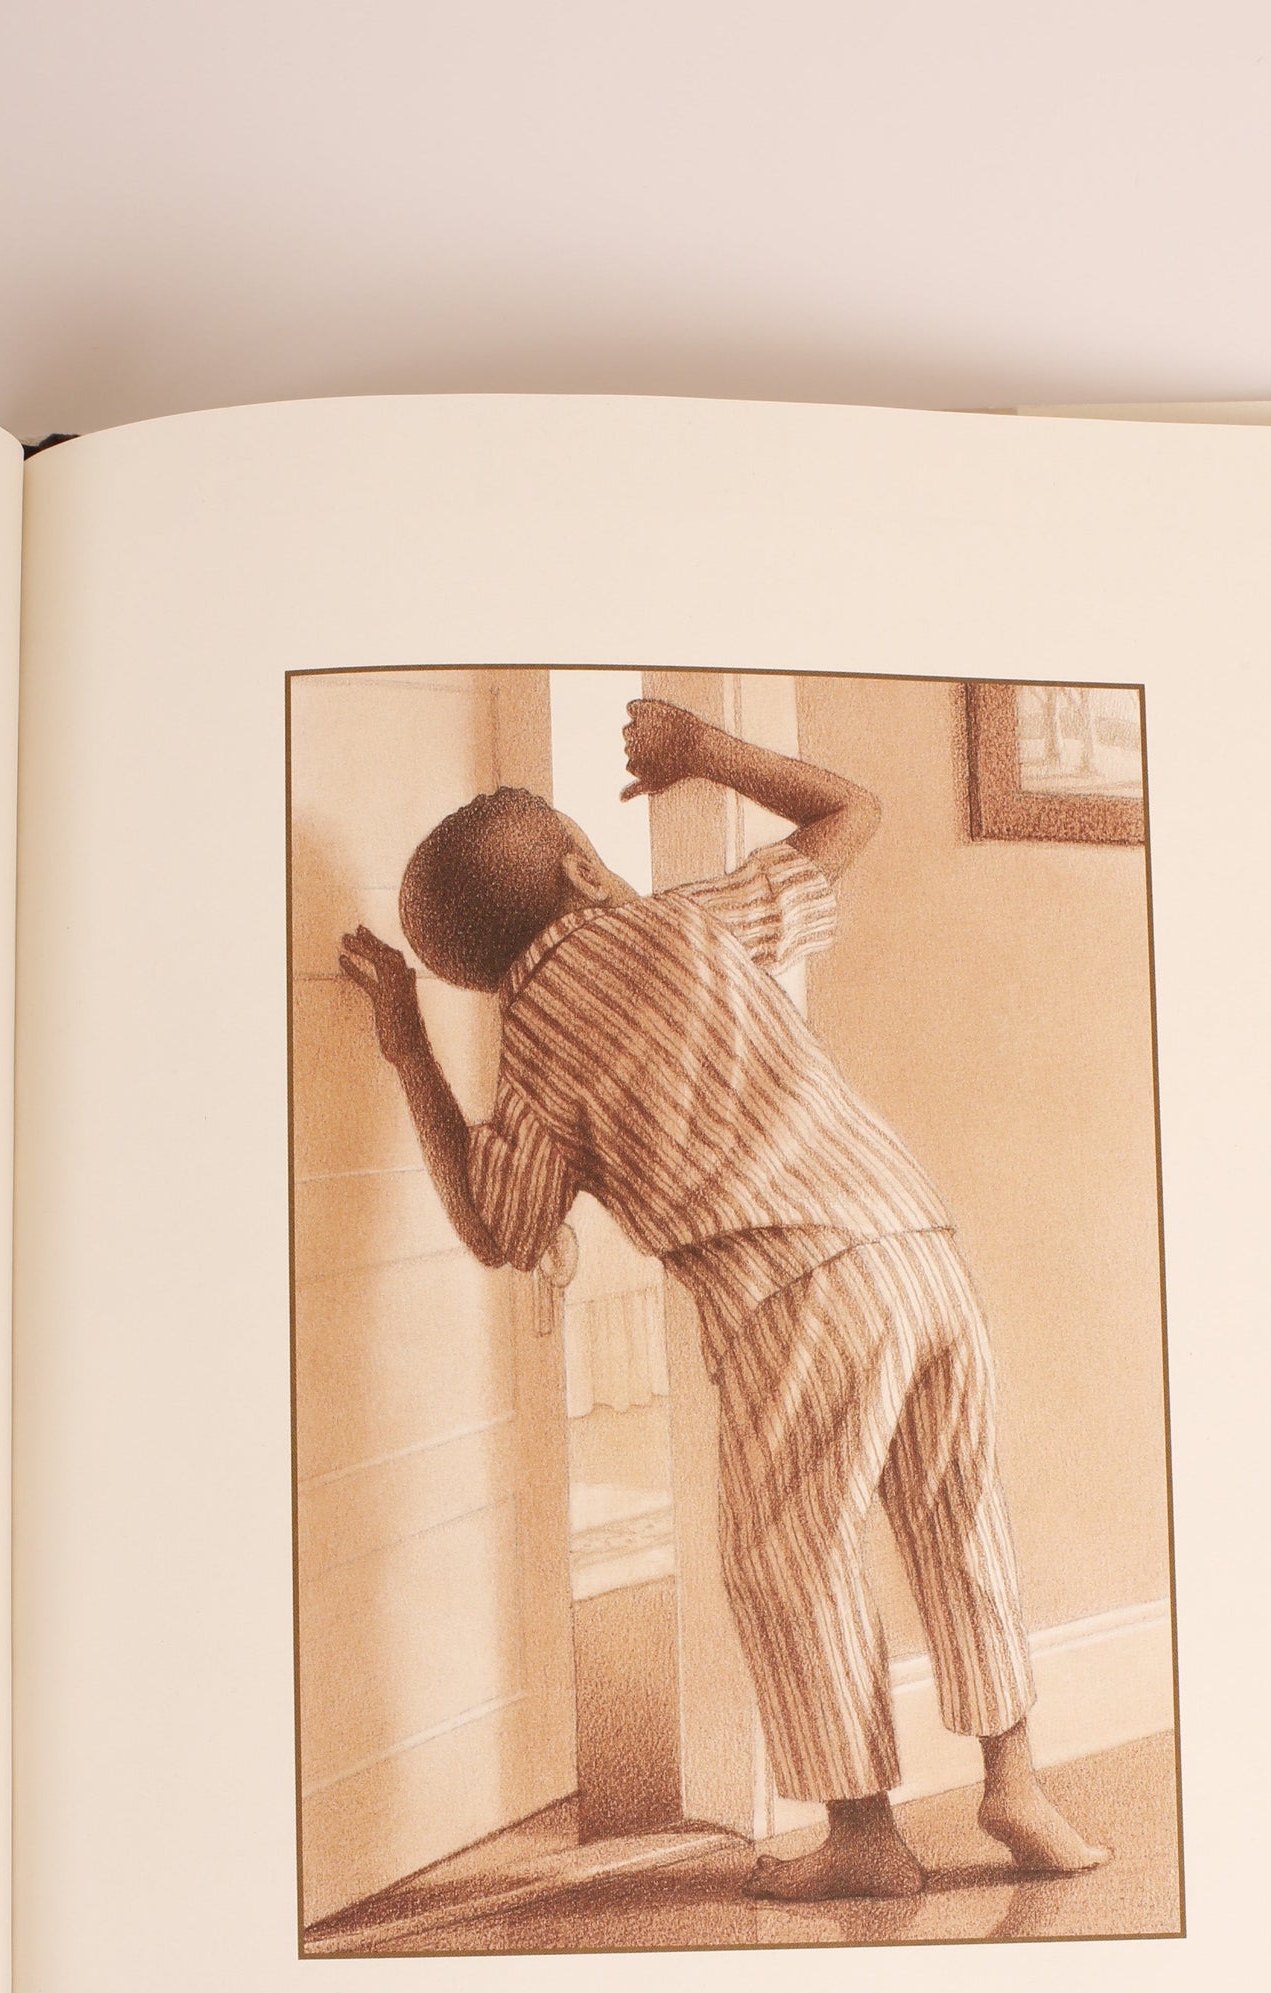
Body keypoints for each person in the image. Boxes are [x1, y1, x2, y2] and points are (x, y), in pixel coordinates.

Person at [339, 696, 1106, 1903]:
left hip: (791, 1293)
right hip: (916, 1245)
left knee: (790, 1554)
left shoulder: (534, 1047)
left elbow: (499, 1228)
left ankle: (864, 1837)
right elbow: (853, 811)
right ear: (583, 870)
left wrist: (406, 1047)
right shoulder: (691, 923)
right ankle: (1016, 1784)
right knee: (958, 1514)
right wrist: (704, 752)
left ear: (478, 977)